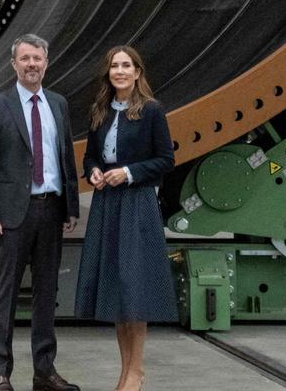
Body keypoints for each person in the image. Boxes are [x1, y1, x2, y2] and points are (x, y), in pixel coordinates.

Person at [0, 34, 81, 391]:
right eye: (25, 59)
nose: (32, 64)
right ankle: (0, 372)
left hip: (51, 210)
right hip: (11, 216)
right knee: (5, 296)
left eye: (37, 58)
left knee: (46, 295)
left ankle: (44, 371)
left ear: (46, 63)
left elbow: (66, 157)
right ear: (14, 65)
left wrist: (71, 206)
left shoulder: (58, 104)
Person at [74, 46, 178, 391]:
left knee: (135, 290)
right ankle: (125, 371)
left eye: (126, 65)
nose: (120, 71)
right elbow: (90, 156)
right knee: (117, 290)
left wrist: (129, 173)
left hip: (136, 205)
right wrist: (93, 173)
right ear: (108, 73)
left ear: (137, 72)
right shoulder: (100, 112)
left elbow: (165, 160)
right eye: (114, 66)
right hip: (107, 205)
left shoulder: (151, 111)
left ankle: (136, 371)